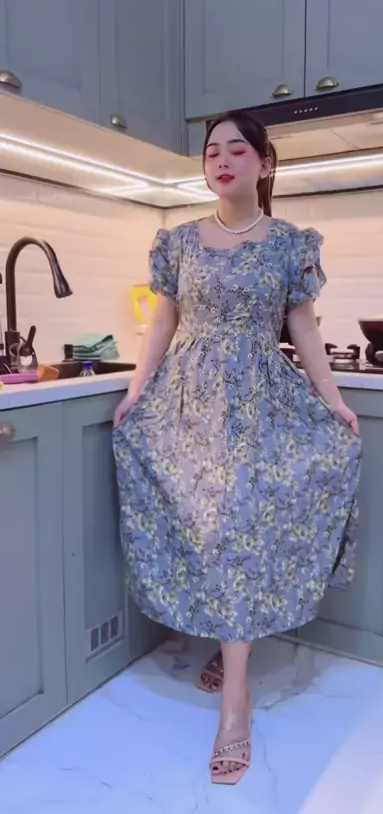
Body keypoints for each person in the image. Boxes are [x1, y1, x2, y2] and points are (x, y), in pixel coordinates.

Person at [112, 112, 362, 785]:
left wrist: (334, 402)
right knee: (211, 531)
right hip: (188, 407)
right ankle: (233, 654)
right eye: (212, 152)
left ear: (265, 163)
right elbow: (163, 322)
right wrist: (136, 391)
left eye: (237, 150)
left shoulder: (287, 243)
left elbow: (303, 329)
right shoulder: (177, 242)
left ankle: (235, 705)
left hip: (260, 403)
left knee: (242, 531)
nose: (222, 161)